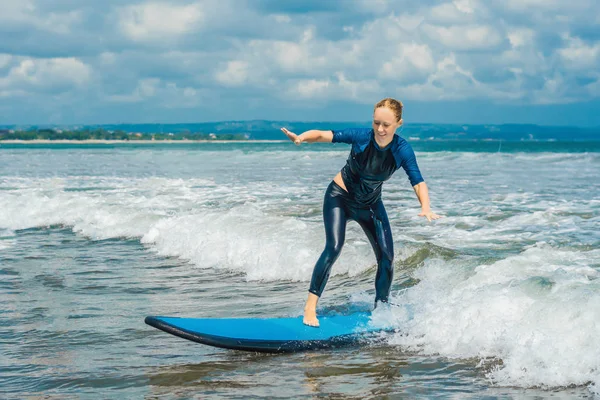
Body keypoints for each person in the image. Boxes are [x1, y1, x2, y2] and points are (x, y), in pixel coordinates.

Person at [281, 98, 441, 327]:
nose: (380, 129)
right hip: (339, 197)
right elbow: (326, 135)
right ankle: (310, 307)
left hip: (370, 205)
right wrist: (301, 138)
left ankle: (381, 309)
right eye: (376, 123)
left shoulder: (402, 149)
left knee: (387, 258)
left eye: (386, 124)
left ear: (399, 124)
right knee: (333, 247)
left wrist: (425, 206)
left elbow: (417, 181)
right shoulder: (361, 137)